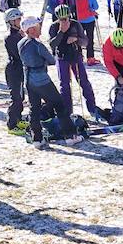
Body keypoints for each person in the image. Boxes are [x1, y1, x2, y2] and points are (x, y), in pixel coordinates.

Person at [17, 17, 80, 149]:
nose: (40, 28)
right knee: (59, 105)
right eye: (38, 26)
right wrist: (42, 62)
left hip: (28, 80)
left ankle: (37, 139)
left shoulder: (21, 43)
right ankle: (70, 136)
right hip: (41, 80)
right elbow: (51, 60)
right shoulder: (38, 45)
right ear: (32, 29)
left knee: (34, 109)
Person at [49, 4, 96, 119]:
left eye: (66, 18)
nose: (65, 20)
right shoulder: (54, 27)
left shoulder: (75, 24)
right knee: (64, 86)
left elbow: (85, 42)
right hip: (61, 57)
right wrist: (61, 32)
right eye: (62, 19)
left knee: (84, 82)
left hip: (76, 56)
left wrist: (76, 39)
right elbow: (52, 44)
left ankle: (92, 109)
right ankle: (67, 112)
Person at [2, 9, 29, 135]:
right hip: (14, 69)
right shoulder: (10, 37)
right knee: (16, 97)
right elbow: (18, 54)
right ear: (11, 21)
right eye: (18, 19)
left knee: (21, 96)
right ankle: (12, 124)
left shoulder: (18, 34)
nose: (20, 21)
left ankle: (18, 119)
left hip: (19, 68)